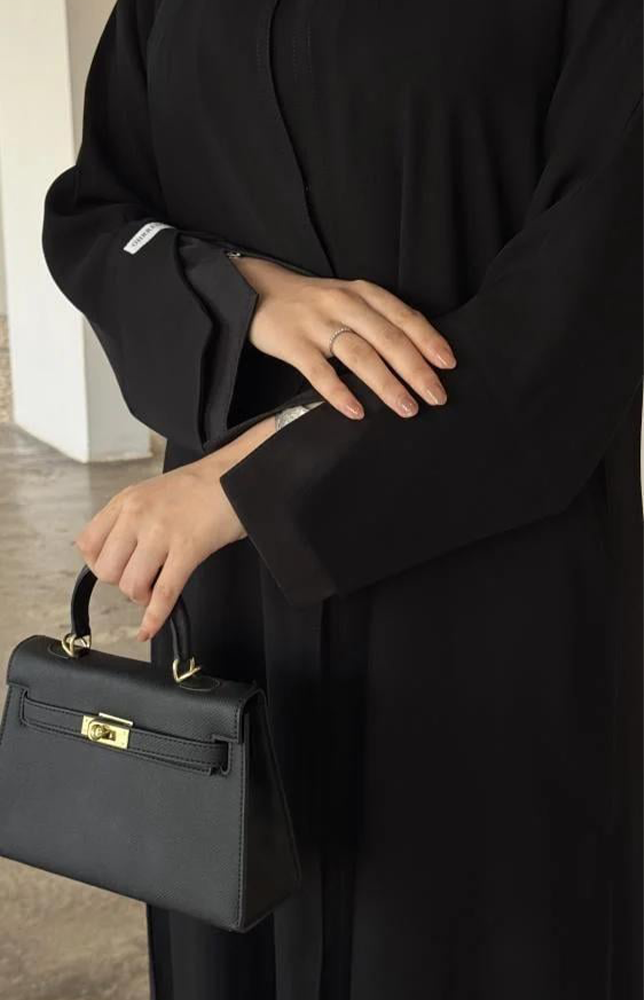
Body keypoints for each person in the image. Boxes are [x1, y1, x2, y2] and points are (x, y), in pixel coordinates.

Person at [41, 1, 642, 998]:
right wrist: (242, 293)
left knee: (473, 928)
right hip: (230, 601)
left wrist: (254, 484)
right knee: (233, 913)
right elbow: (97, 215)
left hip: (487, 593)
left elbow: (586, 303)